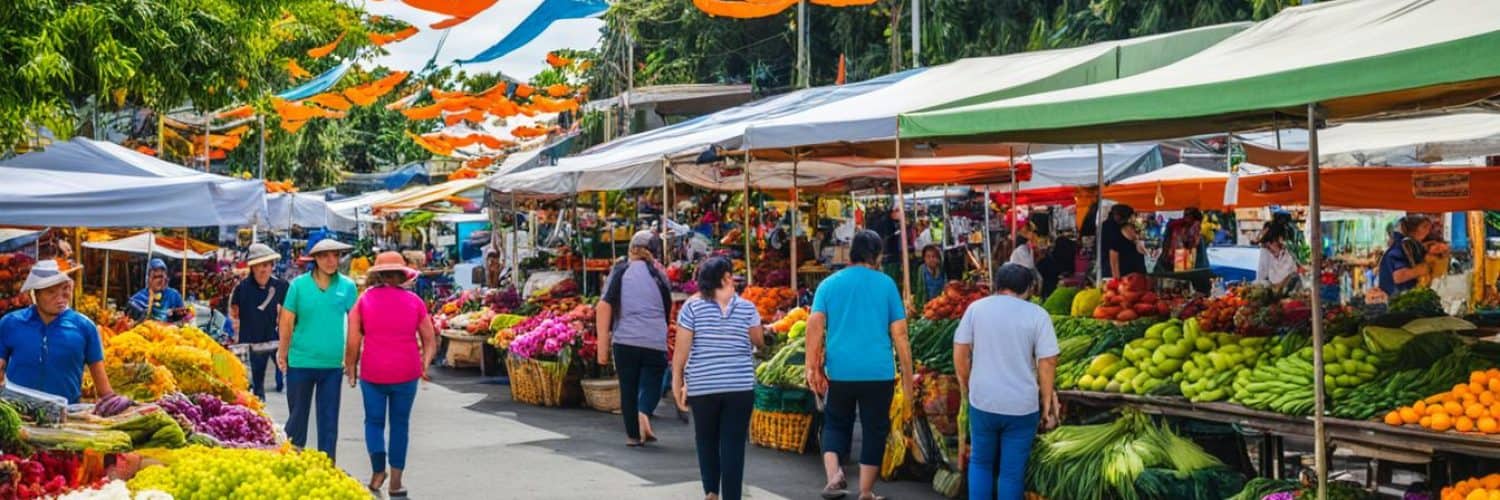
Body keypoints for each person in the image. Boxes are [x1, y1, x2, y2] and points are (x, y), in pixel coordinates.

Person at [806, 230, 914, 500]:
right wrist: (909, 378)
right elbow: (900, 335)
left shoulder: (829, 284)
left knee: (834, 424)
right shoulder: (886, 284)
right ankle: (866, 492)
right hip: (878, 372)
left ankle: (834, 476)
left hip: (840, 371)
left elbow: (814, 325)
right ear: (877, 255)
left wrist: (812, 367)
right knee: (874, 428)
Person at [953, 264, 1060, 500]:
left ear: (996, 285)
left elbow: (960, 351)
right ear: (1028, 289)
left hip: (983, 401)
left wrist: (968, 384)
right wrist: (1045, 403)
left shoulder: (976, 309)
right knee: (1011, 473)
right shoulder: (1037, 315)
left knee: (981, 463)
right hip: (1021, 406)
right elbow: (1048, 361)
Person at [671, 256, 765, 500]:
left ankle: (711, 492)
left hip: (703, 387)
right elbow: (759, 341)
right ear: (725, 278)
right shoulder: (747, 307)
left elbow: (681, 351)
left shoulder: (691, 308)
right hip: (739, 386)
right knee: (733, 444)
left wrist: (677, 383)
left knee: (706, 439)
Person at [345, 251, 437, 497]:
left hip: (373, 372)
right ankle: (396, 482)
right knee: (400, 425)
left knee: (373, 422)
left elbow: (353, 339)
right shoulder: (415, 301)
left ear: (379, 275)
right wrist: (425, 365)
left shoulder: (364, 300)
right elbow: (429, 340)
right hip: (407, 372)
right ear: (401, 275)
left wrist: (351, 367)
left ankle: (378, 471)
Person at [278, 238, 357, 461]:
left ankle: (327, 466)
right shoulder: (298, 285)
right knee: (297, 419)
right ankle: (292, 462)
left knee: (329, 421)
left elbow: (355, 325)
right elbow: (287, 321)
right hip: (300, 362)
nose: (331, 261)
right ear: (315, 259)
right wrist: (282, 352)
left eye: (335, 255)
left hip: (332, 365)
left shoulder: (347, 287)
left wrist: (352, 361)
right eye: (325, 256)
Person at [596, 230, 674, 447]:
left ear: (631, 249)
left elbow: (605, 305)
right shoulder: (659, 273)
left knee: (628, 388)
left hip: (625, 340)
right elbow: (668, 306)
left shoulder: (621, 269)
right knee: (654, 381)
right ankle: (644, 411)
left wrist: (602, 347)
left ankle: (633, 435)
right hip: (654, 339)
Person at [0, 261, 115, 404]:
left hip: (65, 418)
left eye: (65, 289)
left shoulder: (85, 327)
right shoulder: (11, 323)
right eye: (51, 292)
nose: (61, 297)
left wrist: (117, 405)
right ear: (36, 294)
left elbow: (104, 390)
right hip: (19, 415)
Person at [230, 244, 288, 400]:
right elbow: (234, 313)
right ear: (253, 267)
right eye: (260, 265)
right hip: (252, 343)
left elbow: (289, 312)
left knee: (288, 373)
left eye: (268, 265)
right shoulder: (242, 288)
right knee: (257, 385)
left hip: (275, 339)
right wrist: (235, 333)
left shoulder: (281, 286)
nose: (264, 269)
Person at [1379, 215, 1433, 297]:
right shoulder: (1400, 247)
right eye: (1424, 227)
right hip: (1395, 299)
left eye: (1429, 228)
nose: (1427, 231)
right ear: (1413, 228)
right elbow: (1399, 276)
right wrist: (1423, 269)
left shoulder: (1411, 246)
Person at [129, 258, 187, 323]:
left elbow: (185, 318)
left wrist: (178, 314)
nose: (160, 280)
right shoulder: (138, 298)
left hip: (170, 331)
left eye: (162, 276)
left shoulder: (174, 295)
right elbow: (132, 322)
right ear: (149, 279)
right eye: (156, 277)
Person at [1099, 204, 1146, 282]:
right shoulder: (1115, 230)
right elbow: (1114, 258)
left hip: (1113, 271)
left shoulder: (1106, 226)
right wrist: (1117, 280)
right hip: (1123, 273)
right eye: (1131, 216)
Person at [1255, 214, 1300, 291]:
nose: (1269, 250)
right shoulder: (1269, 254)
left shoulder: (1292, 255)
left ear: (1280, 239)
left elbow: (1295, 275)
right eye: (1266, 247)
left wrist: (1281, 285)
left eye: (1270, 246)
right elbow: (1262, 278)